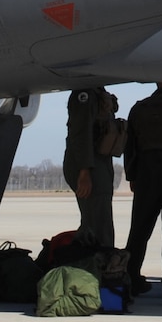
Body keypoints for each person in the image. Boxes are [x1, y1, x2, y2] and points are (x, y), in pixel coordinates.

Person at [123, 82, 162, 292]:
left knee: (139, 229)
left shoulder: (139, 108)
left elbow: (129, 146)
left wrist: (132, 176)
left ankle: (129, 277)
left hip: (145, 173)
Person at [64, 86, 123, 249]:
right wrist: (84, 171)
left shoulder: (98, 93)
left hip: (98, 165)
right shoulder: (85, 94)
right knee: (99, 227)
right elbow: (81, 133)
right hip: (90, 168)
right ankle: (100, 269)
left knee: (94, 223)